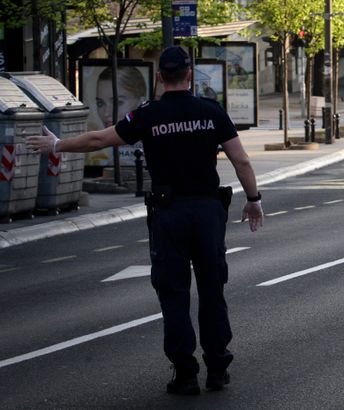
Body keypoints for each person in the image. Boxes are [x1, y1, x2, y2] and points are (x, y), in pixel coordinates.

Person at [27, 46, 264, 395]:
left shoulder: (148, 115)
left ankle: (184, 374)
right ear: (189, 74)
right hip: (207, 212)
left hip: (169, 214)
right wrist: (254, 200)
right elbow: (241, 161)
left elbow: (99, 138)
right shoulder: (210, 112)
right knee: (213, 292)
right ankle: (217, 368)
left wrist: (58, 145)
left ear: (158, 77)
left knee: (173, 293)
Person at [87, 66, 148, 166]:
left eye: (118, 102)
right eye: (100, 104)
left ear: (141, 102)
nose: (106, 113)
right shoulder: (96, 156)